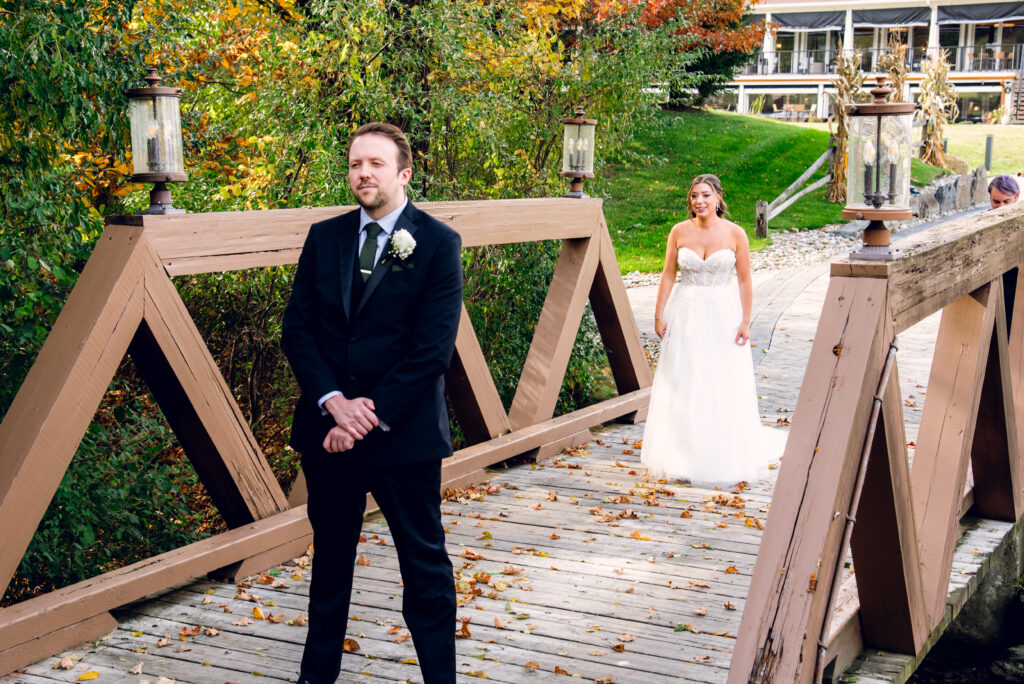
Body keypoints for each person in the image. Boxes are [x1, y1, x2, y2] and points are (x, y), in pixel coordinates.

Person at [281, 122, 463, 684]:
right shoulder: (325, 236)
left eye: (376, 164)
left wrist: (367, 415)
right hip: (328, 432)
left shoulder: (437, 243)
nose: (363, 173)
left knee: (424, 564)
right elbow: (298, 331)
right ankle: (317, 677)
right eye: (356, 163)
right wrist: (334, 402)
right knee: (330, 563)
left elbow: (430, 350)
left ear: (404, 173)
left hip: (402, 437)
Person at [640, 174, 785, 484]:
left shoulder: (736, 235)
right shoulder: (678, 232)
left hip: (722, 315)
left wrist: (746, 321)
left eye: (705, 195)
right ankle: (681, 455)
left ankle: (719, 452)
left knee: (718, 380)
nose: (699, 202)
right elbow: (668, 275)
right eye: (694, 196)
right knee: (685, 378)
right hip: (686, 313)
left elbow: (745, 279)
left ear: (719, 198)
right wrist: (658, 313)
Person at [989, 175, 1022, 328]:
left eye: (1006, 202)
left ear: (1017, 196)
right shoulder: (985, 222)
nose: (1001, 206)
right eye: (996, 202)